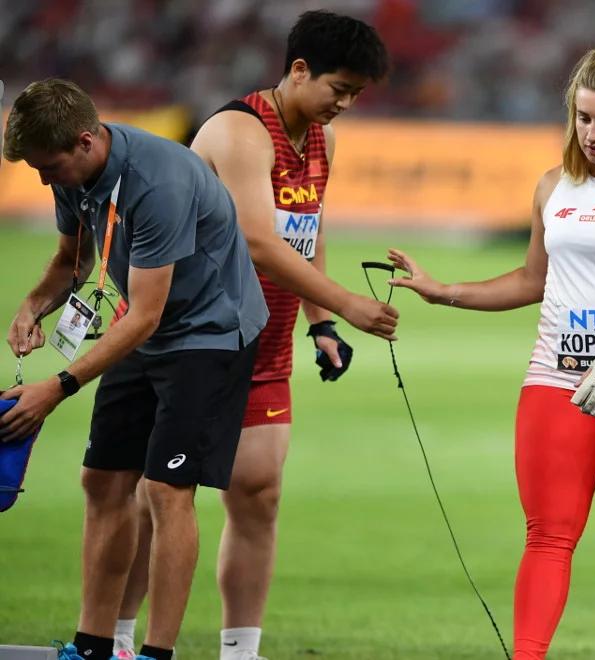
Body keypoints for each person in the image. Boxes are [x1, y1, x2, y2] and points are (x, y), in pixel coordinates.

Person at [386, 47, 595, 660]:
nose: (592, 133)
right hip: (557, 381)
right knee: (547, 537)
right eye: (582, 118)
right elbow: (534, 280)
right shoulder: (554, 186)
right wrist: (445, 290)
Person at [112, 11, 397, 659]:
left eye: (356, 95)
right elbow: (259, 239)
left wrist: (320, 323)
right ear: (299, 70)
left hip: (265, 342)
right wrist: (348, 303)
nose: (345, 105)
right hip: (196, 339)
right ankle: (121, 639)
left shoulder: (319, 138)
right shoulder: (239, 131)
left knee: (259, 493)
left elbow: (310, 228)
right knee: (162, 494)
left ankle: (240, 651)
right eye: (339, 89)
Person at [1, 79, 268, 660]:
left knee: (167, 490)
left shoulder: (157, 183)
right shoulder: (75, 173)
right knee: (101, 480)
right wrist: (32, 304)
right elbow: (75, 260)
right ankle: (93, 645)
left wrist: (60, 385)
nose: (45, 181)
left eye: (49, 168)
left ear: (85, 140)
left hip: (208, 334)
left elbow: (147, 315)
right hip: (144, 327)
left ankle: (156, 653)